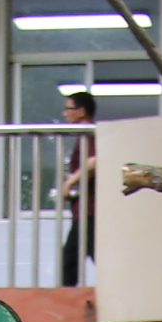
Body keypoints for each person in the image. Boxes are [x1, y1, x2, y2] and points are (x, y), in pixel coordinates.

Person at [55, 89, 101, 286]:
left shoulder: (89, 134)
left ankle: (66, 303)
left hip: (89, 209)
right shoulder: (84, 135)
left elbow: (93, 161)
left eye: (69, 109)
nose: (65, 113)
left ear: (82, 111)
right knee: (73, 258)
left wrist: (70, 182)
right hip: (84, 209)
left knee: (73, 260)